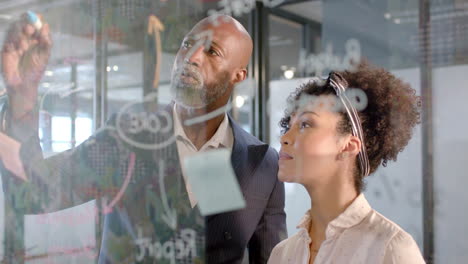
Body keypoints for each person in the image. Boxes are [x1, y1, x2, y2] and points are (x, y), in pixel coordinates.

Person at [0, 14, 286, 263]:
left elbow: (270, 258)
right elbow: (34, 195)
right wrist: (22, 95)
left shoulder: (262, 163)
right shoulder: (126, 137)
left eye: (212, 51)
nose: (192, 57)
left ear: (239, 75)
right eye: (188, 44)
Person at [267, 63, 425, 263]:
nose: (285, 138)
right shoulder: (283, 254)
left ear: (348, 146)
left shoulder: (390, 248)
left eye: (306, 124)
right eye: (289, 126)